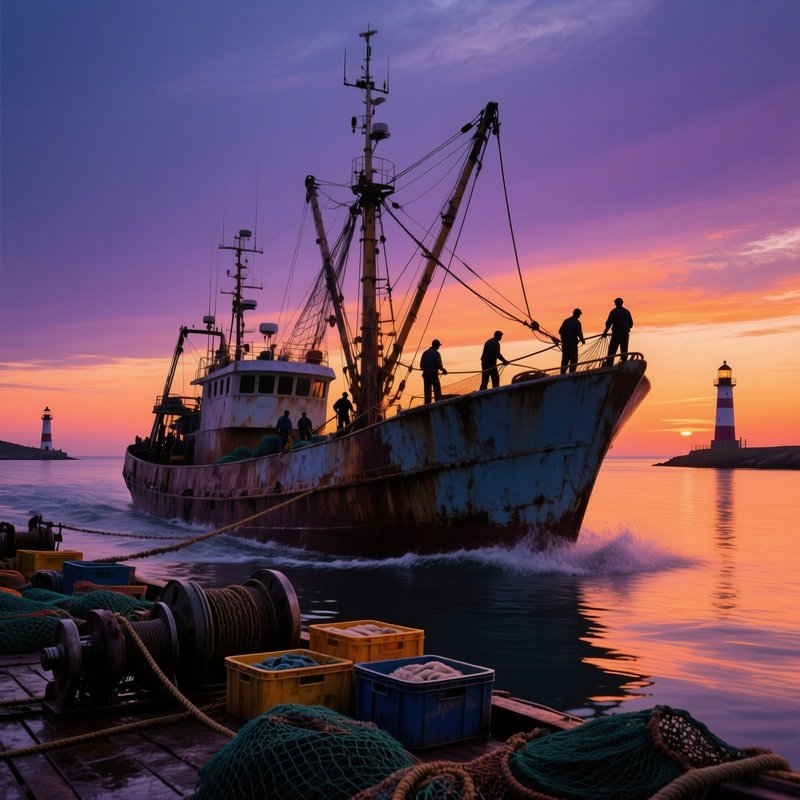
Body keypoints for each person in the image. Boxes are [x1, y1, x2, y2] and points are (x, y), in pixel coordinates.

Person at [602, 297, 633, 365]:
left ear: (616, 303)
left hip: (616, 334)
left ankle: (609, 365)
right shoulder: (627, 312)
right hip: (625, 334)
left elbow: (609, 324)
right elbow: (631, 324)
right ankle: (624, 363)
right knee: (624, 350)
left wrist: (605, 332)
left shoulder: (614, 311)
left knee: (612, 350)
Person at [419, 339, 448, 404]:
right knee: (437, 391)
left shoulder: (425, 353)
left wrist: (427, 369)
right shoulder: (436, 354)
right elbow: (439, 365)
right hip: (433, 375)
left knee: (427, 392)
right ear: (436, 345)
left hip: (426, 374)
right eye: (438, 345)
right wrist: (444, 370)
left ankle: (427, 405)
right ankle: (438, 404)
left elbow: (421, 366)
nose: (439, 347)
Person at [558, 308, 586, 374]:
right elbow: (579, 333)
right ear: (577, 314)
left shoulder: (566, 321)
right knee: (573, 361)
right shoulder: (577, 323)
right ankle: (571, 375)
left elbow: (560, 331)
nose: (579, 316)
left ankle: (562, 375)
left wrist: (563, 339)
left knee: (565, 361)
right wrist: (582, 340)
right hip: (572, 346)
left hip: (565, 345)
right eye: (579, 314)